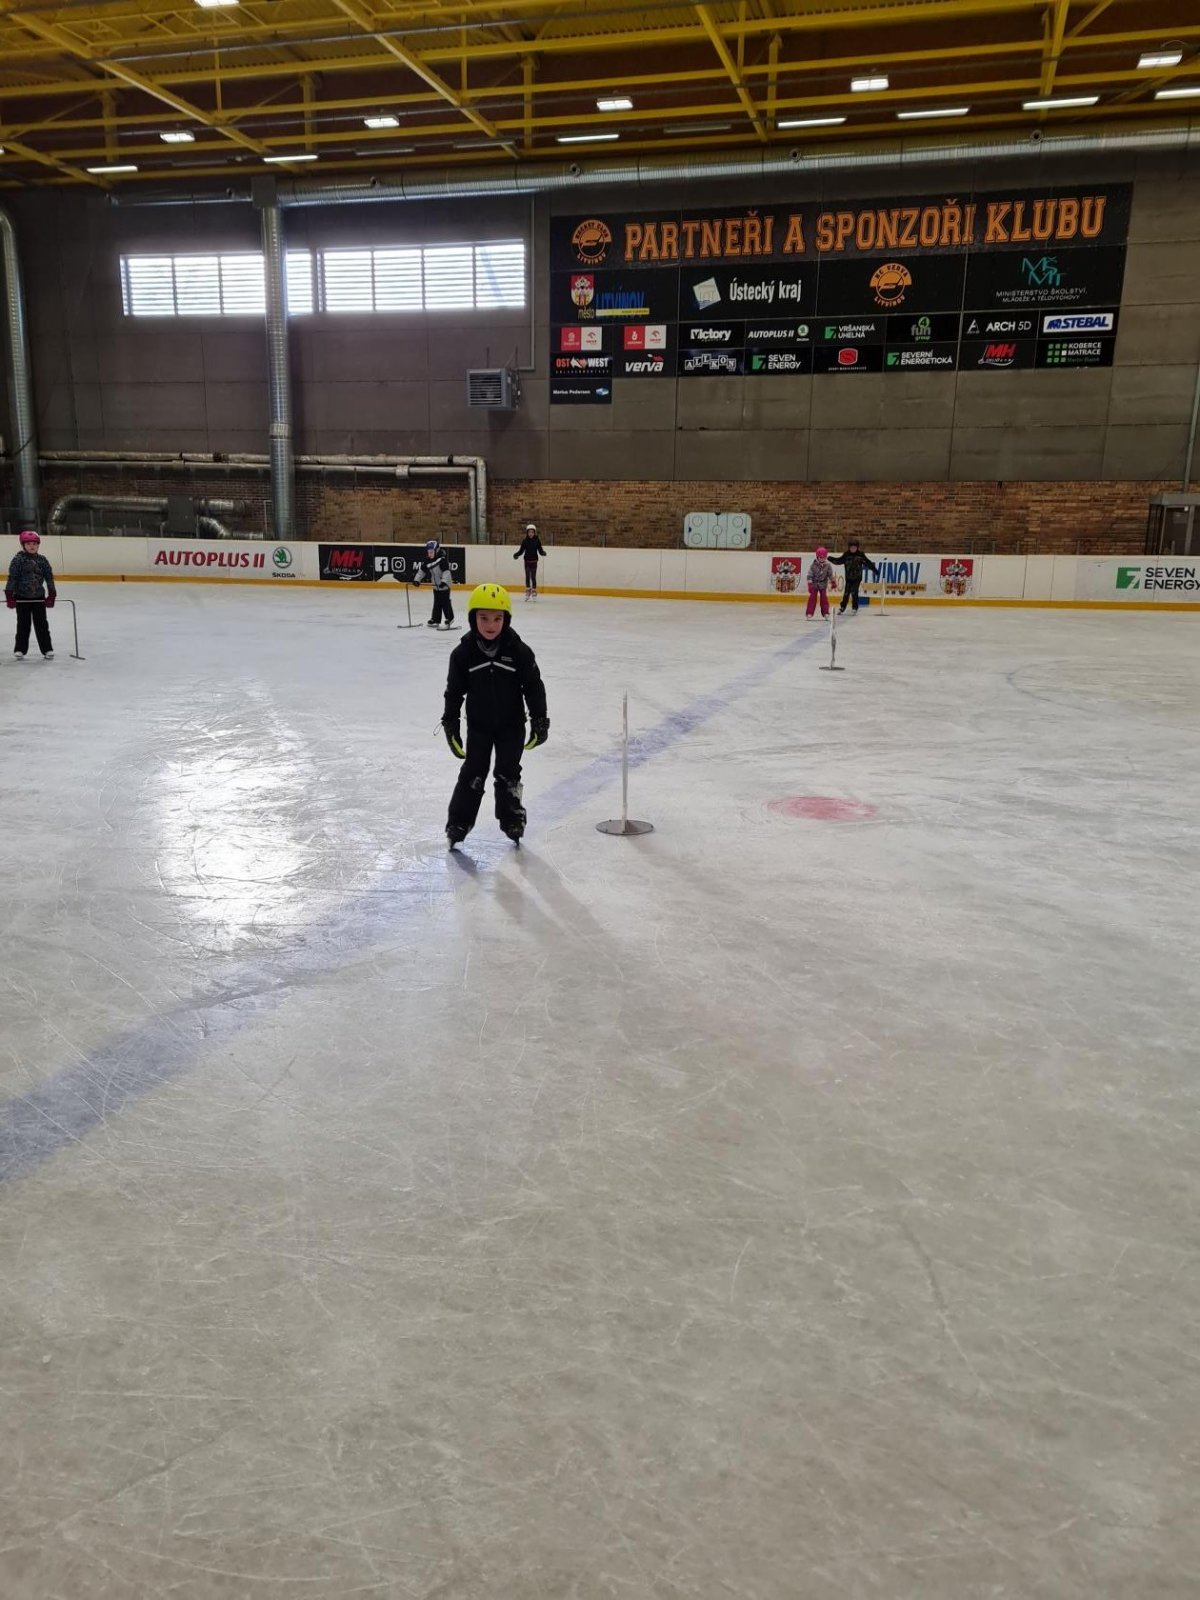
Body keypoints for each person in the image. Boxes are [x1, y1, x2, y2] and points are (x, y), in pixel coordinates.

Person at [442, 583, 549, 847]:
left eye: (497, 618)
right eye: (484, 618)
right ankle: (458, 823)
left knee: (508, 773)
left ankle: (512, 819)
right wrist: (451, 723)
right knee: (473, 773)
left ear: (506, 620)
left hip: (512, 726)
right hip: (479, 726)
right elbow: (454, 692)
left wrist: (539, 719)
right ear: (473, 618)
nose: (491, 624)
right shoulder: (463, 654)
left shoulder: (519, 651)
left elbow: (534, 686)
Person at [6, 529, 56, 660]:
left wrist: (52, 594)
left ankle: (47, 649)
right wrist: (9, 595)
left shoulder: (42, 560)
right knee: (23, 624)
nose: (32, 546)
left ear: (38, 545)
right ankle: (20, 649)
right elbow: (12, 578)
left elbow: (49, 578)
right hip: (22, 597)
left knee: (42, 624)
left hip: (38, 598)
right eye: (28, 544)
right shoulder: (18, 560)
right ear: (23, 545)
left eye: (34, 543)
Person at [830, 540, 880, 614]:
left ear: (857, 547)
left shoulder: (860, 555)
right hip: (848, 578)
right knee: (846, 593)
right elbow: (839, 561)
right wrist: (831, 559)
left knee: (854, 591)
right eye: (851, 547)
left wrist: (875, 570)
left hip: (857, 578)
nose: (853, 549)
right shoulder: (846, 554)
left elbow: (868, 563)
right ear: (849, 547)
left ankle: (855, 607)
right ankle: (842, 607)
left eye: (854, 547)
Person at [416, 538, 455, 629]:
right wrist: (417, 580)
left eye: (431, 552)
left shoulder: (442, 560)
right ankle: (435, 619)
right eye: (428, 552)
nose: (429, 554)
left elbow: (446, 572)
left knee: (445, 602)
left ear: (437, 551)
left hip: (444, 585)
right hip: (435, 586)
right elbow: (422, 571)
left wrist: (444, 582)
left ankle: (450, 618)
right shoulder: (428, 561)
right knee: (437, 603)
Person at [513, 523, 546, 601]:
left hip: (534, 561)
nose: (531, 534)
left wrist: (542, 553)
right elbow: (521, 550)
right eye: (529, 532)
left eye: (532, 532)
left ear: (534, 533)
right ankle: (528, 591)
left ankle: (534, 591)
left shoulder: (537, 541)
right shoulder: (525, 541)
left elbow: (540, 550)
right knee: (527, 576)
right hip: (527, 561)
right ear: (527, 533)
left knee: (533, 577)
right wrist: (516, 554)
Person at [806, 546, 834, 619]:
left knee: (824, 599)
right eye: (820, 557)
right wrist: (810, 584)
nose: (822, 559)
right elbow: (809, 575)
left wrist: (833, 581)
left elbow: (830, 575)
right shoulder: (813, 565)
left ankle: (825, 613)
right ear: (817, 557)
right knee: (812, 599)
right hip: (814, 584)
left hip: (823, 584)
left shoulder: (828, 565)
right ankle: (809, 613)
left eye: (824, 557)